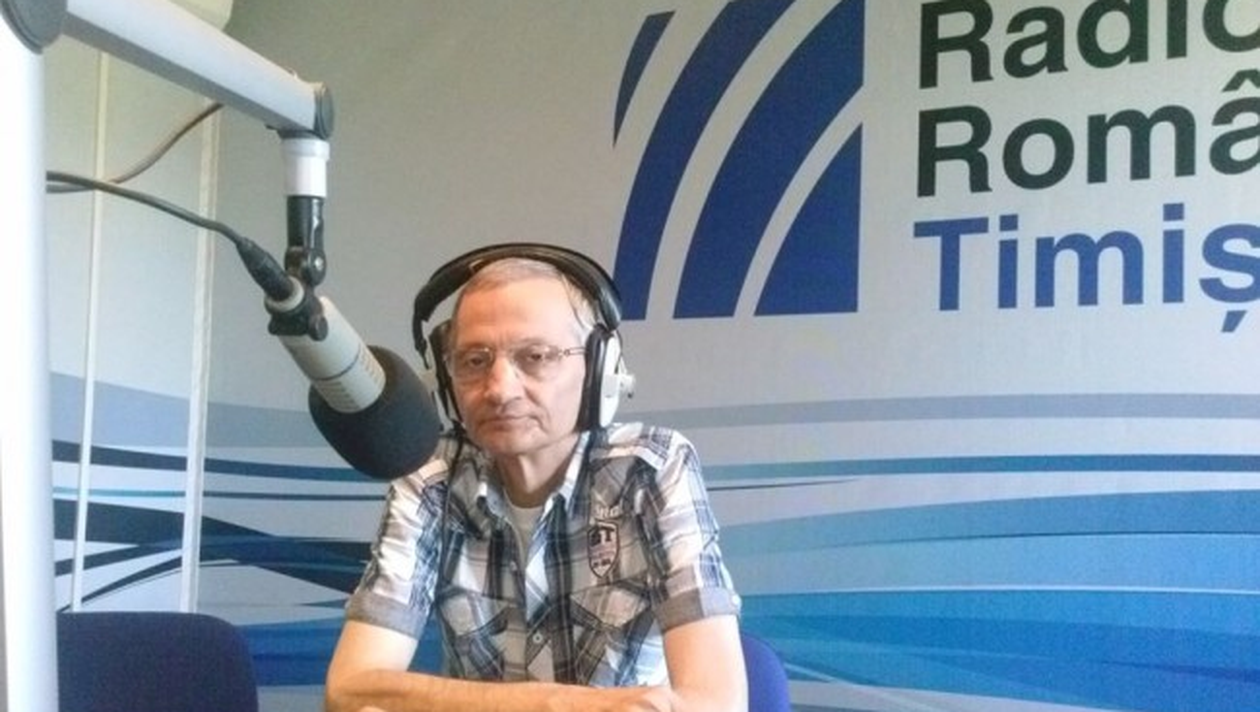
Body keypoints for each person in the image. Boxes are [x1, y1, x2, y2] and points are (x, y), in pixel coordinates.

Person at [324, 244, 746, 712]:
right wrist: (558, 704)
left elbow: (717, 702)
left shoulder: (652, 468)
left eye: (536, 356)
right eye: (474, 360)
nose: (500, 389)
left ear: (600, 370)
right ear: (446, 379)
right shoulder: (429, 480)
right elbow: (349, 688)